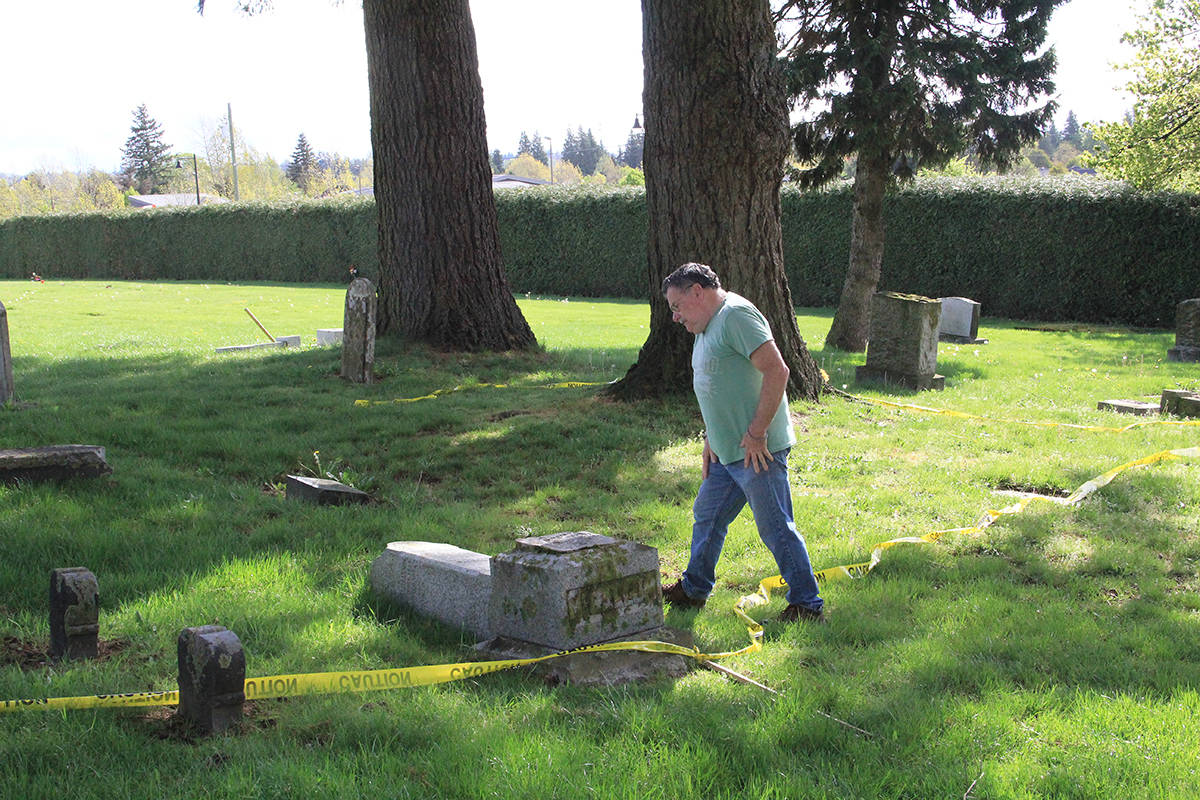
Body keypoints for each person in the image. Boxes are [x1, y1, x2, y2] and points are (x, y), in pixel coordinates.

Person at [660, 263, 825, 623]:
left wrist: (757, 433)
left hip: (756, 450)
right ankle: (693, 590)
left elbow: (777, 370)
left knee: (775, 526)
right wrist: (711, 437)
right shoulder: (706, 325)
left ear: (697, 293)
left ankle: (807, 605)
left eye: (677, 306)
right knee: (708, 515)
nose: (675, 317)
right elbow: (716, 385)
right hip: (725, 452)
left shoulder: (735, 316)